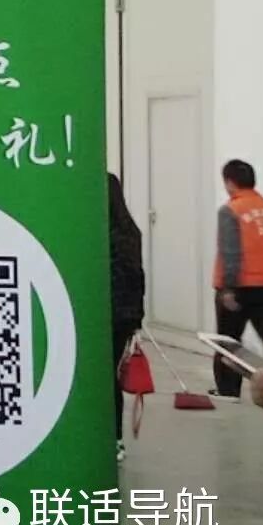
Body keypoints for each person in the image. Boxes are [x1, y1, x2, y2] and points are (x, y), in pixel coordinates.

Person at [213, 158, 263, 397]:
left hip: (239, 288)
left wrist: (228, 289)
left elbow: (230, 251)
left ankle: (228, 391)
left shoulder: (230, 210)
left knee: (228, 342)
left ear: (229, 182)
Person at [108, 173, 145, 453]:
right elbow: (138, 278)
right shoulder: (130, 233)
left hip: (104, 315)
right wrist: (136, 319)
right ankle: (116, 439)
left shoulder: (98, 235)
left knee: (100, 378)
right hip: (124, 316)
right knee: (111, 378)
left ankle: (109, 437)